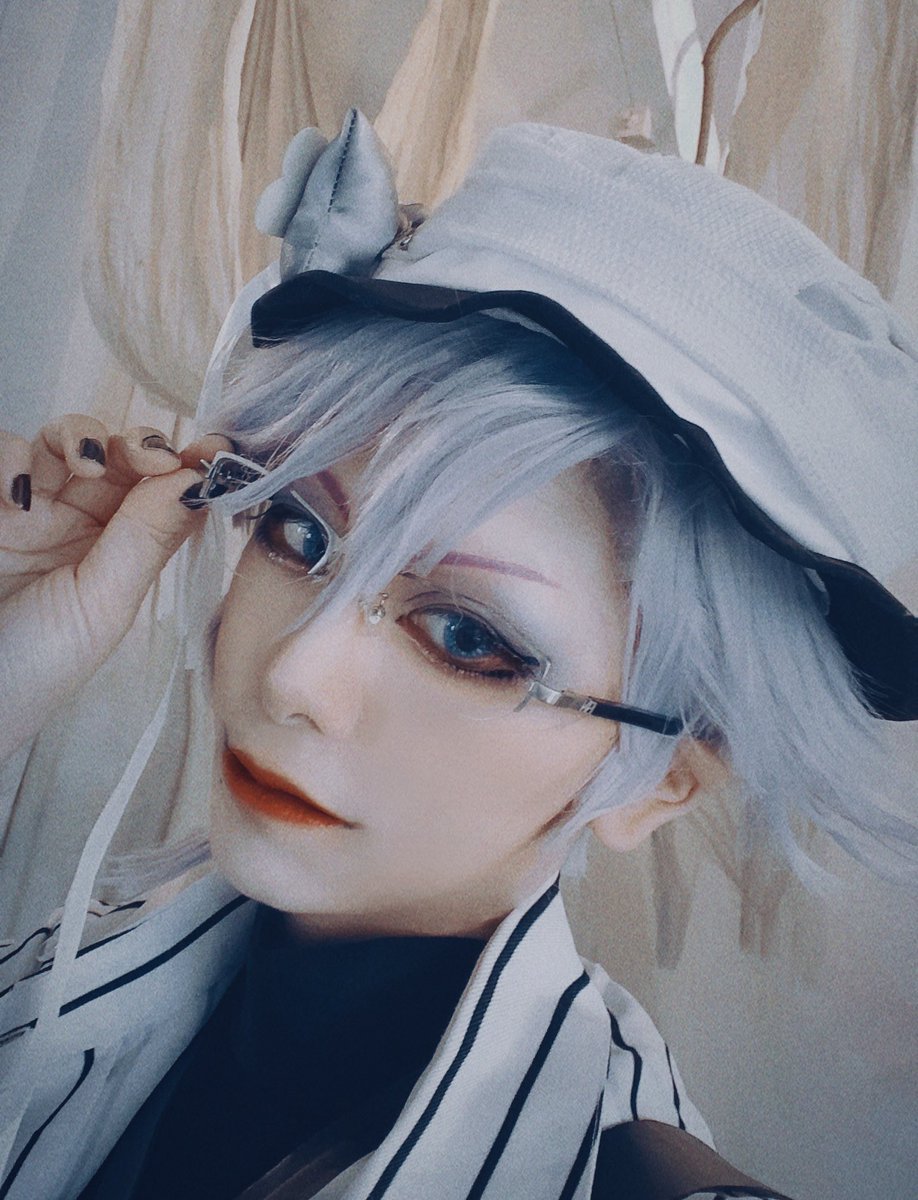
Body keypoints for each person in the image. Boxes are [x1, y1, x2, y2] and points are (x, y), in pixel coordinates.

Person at [0, 110, 915, 1200]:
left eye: (469, 638)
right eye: (298, 531)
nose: (293, 677)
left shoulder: (626, 1176)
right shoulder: (63, 973)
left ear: (663, 777)